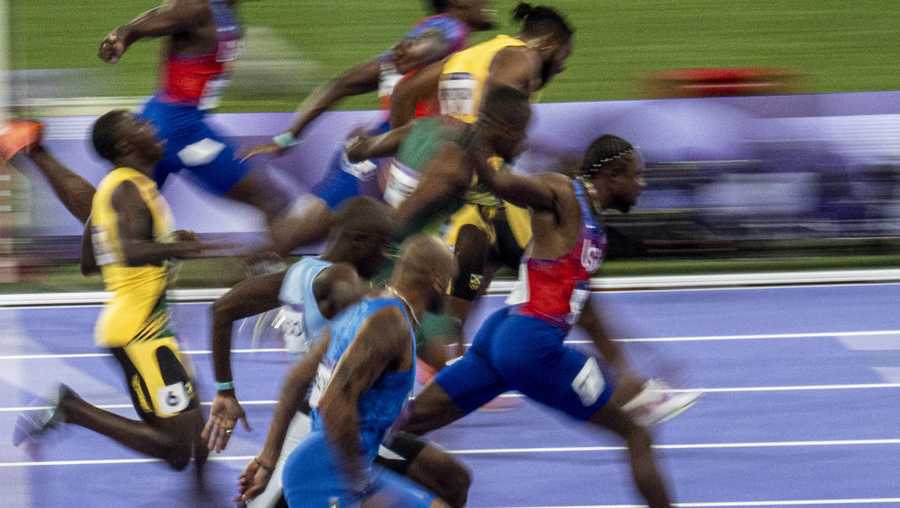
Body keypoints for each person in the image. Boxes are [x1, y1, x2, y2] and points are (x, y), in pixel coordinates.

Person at [396, 134, 704, 508]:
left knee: (406, 426)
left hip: (501, 338)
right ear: (613, 174)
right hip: (531, 345)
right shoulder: (562, 192)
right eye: (637, 177)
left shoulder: (592, 227)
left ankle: (347, 470)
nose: (643, 185)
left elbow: (587, 310)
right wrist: (475, 142)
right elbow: (504, 184)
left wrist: (622, 369)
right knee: (637, 436)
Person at [206, 198, 470, 507]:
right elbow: (337, 394)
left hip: (327, 421)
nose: (386, 256)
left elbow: (223, 310)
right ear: (359, 241)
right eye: (383, 246)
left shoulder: (298, 274)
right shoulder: (344, 283)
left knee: (450, 478)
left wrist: (225, 390)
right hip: (332, 429)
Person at [12, 110, 220, 476]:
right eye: (141, 125)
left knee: (193, 422)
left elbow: (91, 263)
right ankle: (72, 409)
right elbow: (126, 251)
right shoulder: (126, 189)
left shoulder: (123, 188)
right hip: (140, 333)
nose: (152, 127)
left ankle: (207, 489)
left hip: (147, 326)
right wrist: (174, 249)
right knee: (175, 450)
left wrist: (165, 243)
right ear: (125, 144)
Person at [240, 0, 496, 256]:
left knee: (342, 243)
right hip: (387, 155)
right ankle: (253, 268)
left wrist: (287, 138)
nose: (490, 2)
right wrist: (419, 50)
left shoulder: (420, 43)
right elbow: (432, 43)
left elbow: (344, 83)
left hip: (379, 149)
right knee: (302, 235)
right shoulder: (451, 30)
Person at [390, 1, 575, 333]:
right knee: (547, 252)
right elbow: (493, 113)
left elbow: (403, 93)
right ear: (547, 45)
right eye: (562, 59)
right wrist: (489, 155)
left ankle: (445, 348)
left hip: (432, 167)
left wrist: (406, 153)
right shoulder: (524, 57)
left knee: (472, 268)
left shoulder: (470, 55)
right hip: (470, 175)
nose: (560, 69)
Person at [97, 0, 307, 256]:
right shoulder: (198, 8)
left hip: (163, 119)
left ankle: (116, 265)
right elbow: (162, 17)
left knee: (135, 212)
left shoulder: (222, 9)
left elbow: (165, 13)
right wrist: (123, 36)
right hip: (180, 130)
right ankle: (262, 277)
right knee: (274, 200)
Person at [346, 84, 531, 373]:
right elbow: (399, 221)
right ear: (507, 129)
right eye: (523, 134)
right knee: (446, 374)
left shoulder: (426, 126)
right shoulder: (454, 170)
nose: (525, 144)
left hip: (398, 253)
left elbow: (361, 150)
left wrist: (357, 149)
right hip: (399, 263)